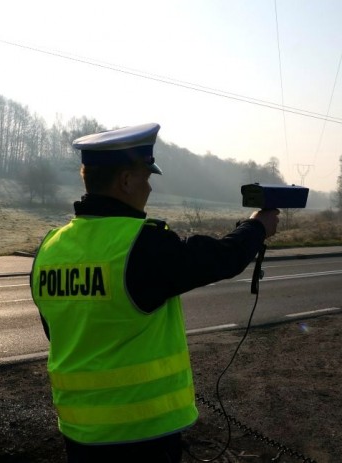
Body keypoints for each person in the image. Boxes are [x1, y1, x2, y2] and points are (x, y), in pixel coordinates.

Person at [30, 122, 279, 462]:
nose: (149, 188)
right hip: (141, 435)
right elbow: (221, 258)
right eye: (146, 177)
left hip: (79, 433)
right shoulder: (140, 245)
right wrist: (257, 227)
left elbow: (59, 330)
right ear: (126, 180)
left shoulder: (50, 248)